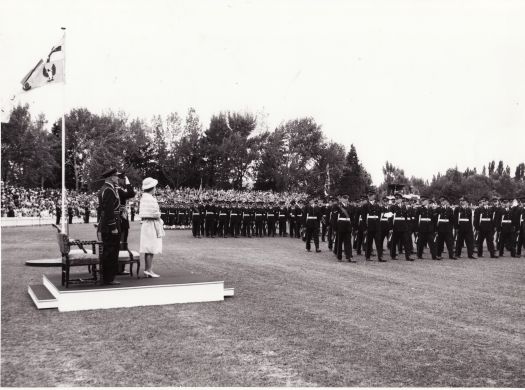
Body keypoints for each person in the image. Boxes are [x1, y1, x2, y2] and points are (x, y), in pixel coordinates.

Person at [96, 168, 122, 285]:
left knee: (110, 250)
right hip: (110, 224)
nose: (118, 178)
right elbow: (108, 210)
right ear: (111, 177)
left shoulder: (106, 189)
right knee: (111, 251)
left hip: (107, 223)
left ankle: (108, 277)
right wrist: (113, 227)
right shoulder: (108, 190)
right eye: (116, 176)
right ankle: (108, 278)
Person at [139, 177, 165, 278]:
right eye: (155, 187)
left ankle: (148, 269)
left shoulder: (145, 197)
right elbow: (155, 213)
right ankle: (148, 269)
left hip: (147, 224)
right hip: (150, 224)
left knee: (148, 248)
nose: (155, 189)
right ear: (152, 188)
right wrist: (159, 215)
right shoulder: (150, 198)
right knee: (150, 248)